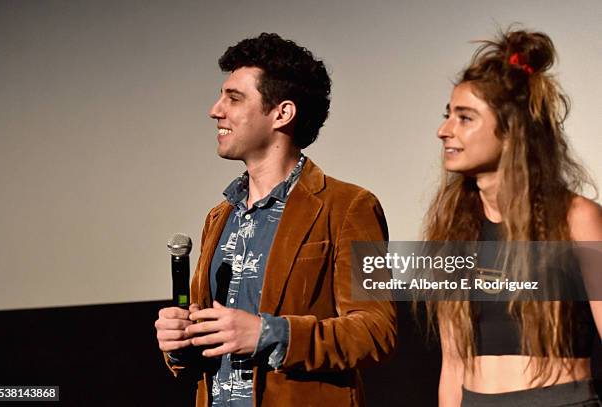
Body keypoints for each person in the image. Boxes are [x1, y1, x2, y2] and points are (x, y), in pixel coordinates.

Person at [154, 33, 397, 407]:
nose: (215, 110)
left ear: (282, 113)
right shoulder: (220, 217)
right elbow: (208, 352)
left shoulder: (349, 207)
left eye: (234, 98)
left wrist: (268, 333)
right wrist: (180, 342)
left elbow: (375, 331)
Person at [425, 27, 602, 406]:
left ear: (511, 132)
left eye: (465, 118)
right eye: (448, 115)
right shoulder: (454, 228)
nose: (444, 130)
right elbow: (453, 365)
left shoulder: (576, 219)